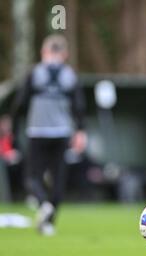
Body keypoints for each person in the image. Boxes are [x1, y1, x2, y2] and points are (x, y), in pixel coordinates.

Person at [10, 34, 87, 236]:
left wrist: (12, 127)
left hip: (37, 132)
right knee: (58, 178)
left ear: (43, 52)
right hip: (62, 133)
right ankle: (49, 223)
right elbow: (78, 107)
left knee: (32, 177)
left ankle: (44, 205)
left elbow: (20, 104)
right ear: (65, 54)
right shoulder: (70, 75)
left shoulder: (35, 73)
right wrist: (80, 131)